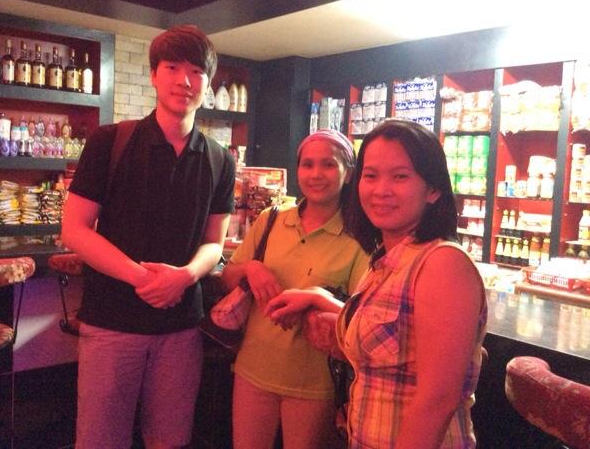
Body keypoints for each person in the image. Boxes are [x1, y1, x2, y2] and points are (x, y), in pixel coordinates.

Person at [61, 25, 235, 449]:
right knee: (100, 440)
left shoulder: (220, 159)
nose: (184, 80)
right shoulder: (111, 141)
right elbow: (75, 229)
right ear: (154, 75)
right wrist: (143, 278)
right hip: (112, 321)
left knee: (170, 439)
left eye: (196, 71)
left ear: (208, 83)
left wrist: (184, 276)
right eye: (172, 68)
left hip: (181, 326)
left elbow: (215, 242)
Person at [266, 119, 487, 449]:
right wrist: (318, 297)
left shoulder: (442, 264)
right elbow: (385, 329)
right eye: (370, 176)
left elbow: (437, 400)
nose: (381, 190)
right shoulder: (387, 260)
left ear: (433, 189)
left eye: (400, 176)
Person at [221, 129, 369, 449]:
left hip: (314, 382)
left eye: (328, 165)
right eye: (307, 164)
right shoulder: (270, 219)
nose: (316, 174)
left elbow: (362, 317)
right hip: (253, 368)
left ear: (348, 174)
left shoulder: (359, 239)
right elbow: (228, 277)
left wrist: (314, 300)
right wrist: (251, 268)